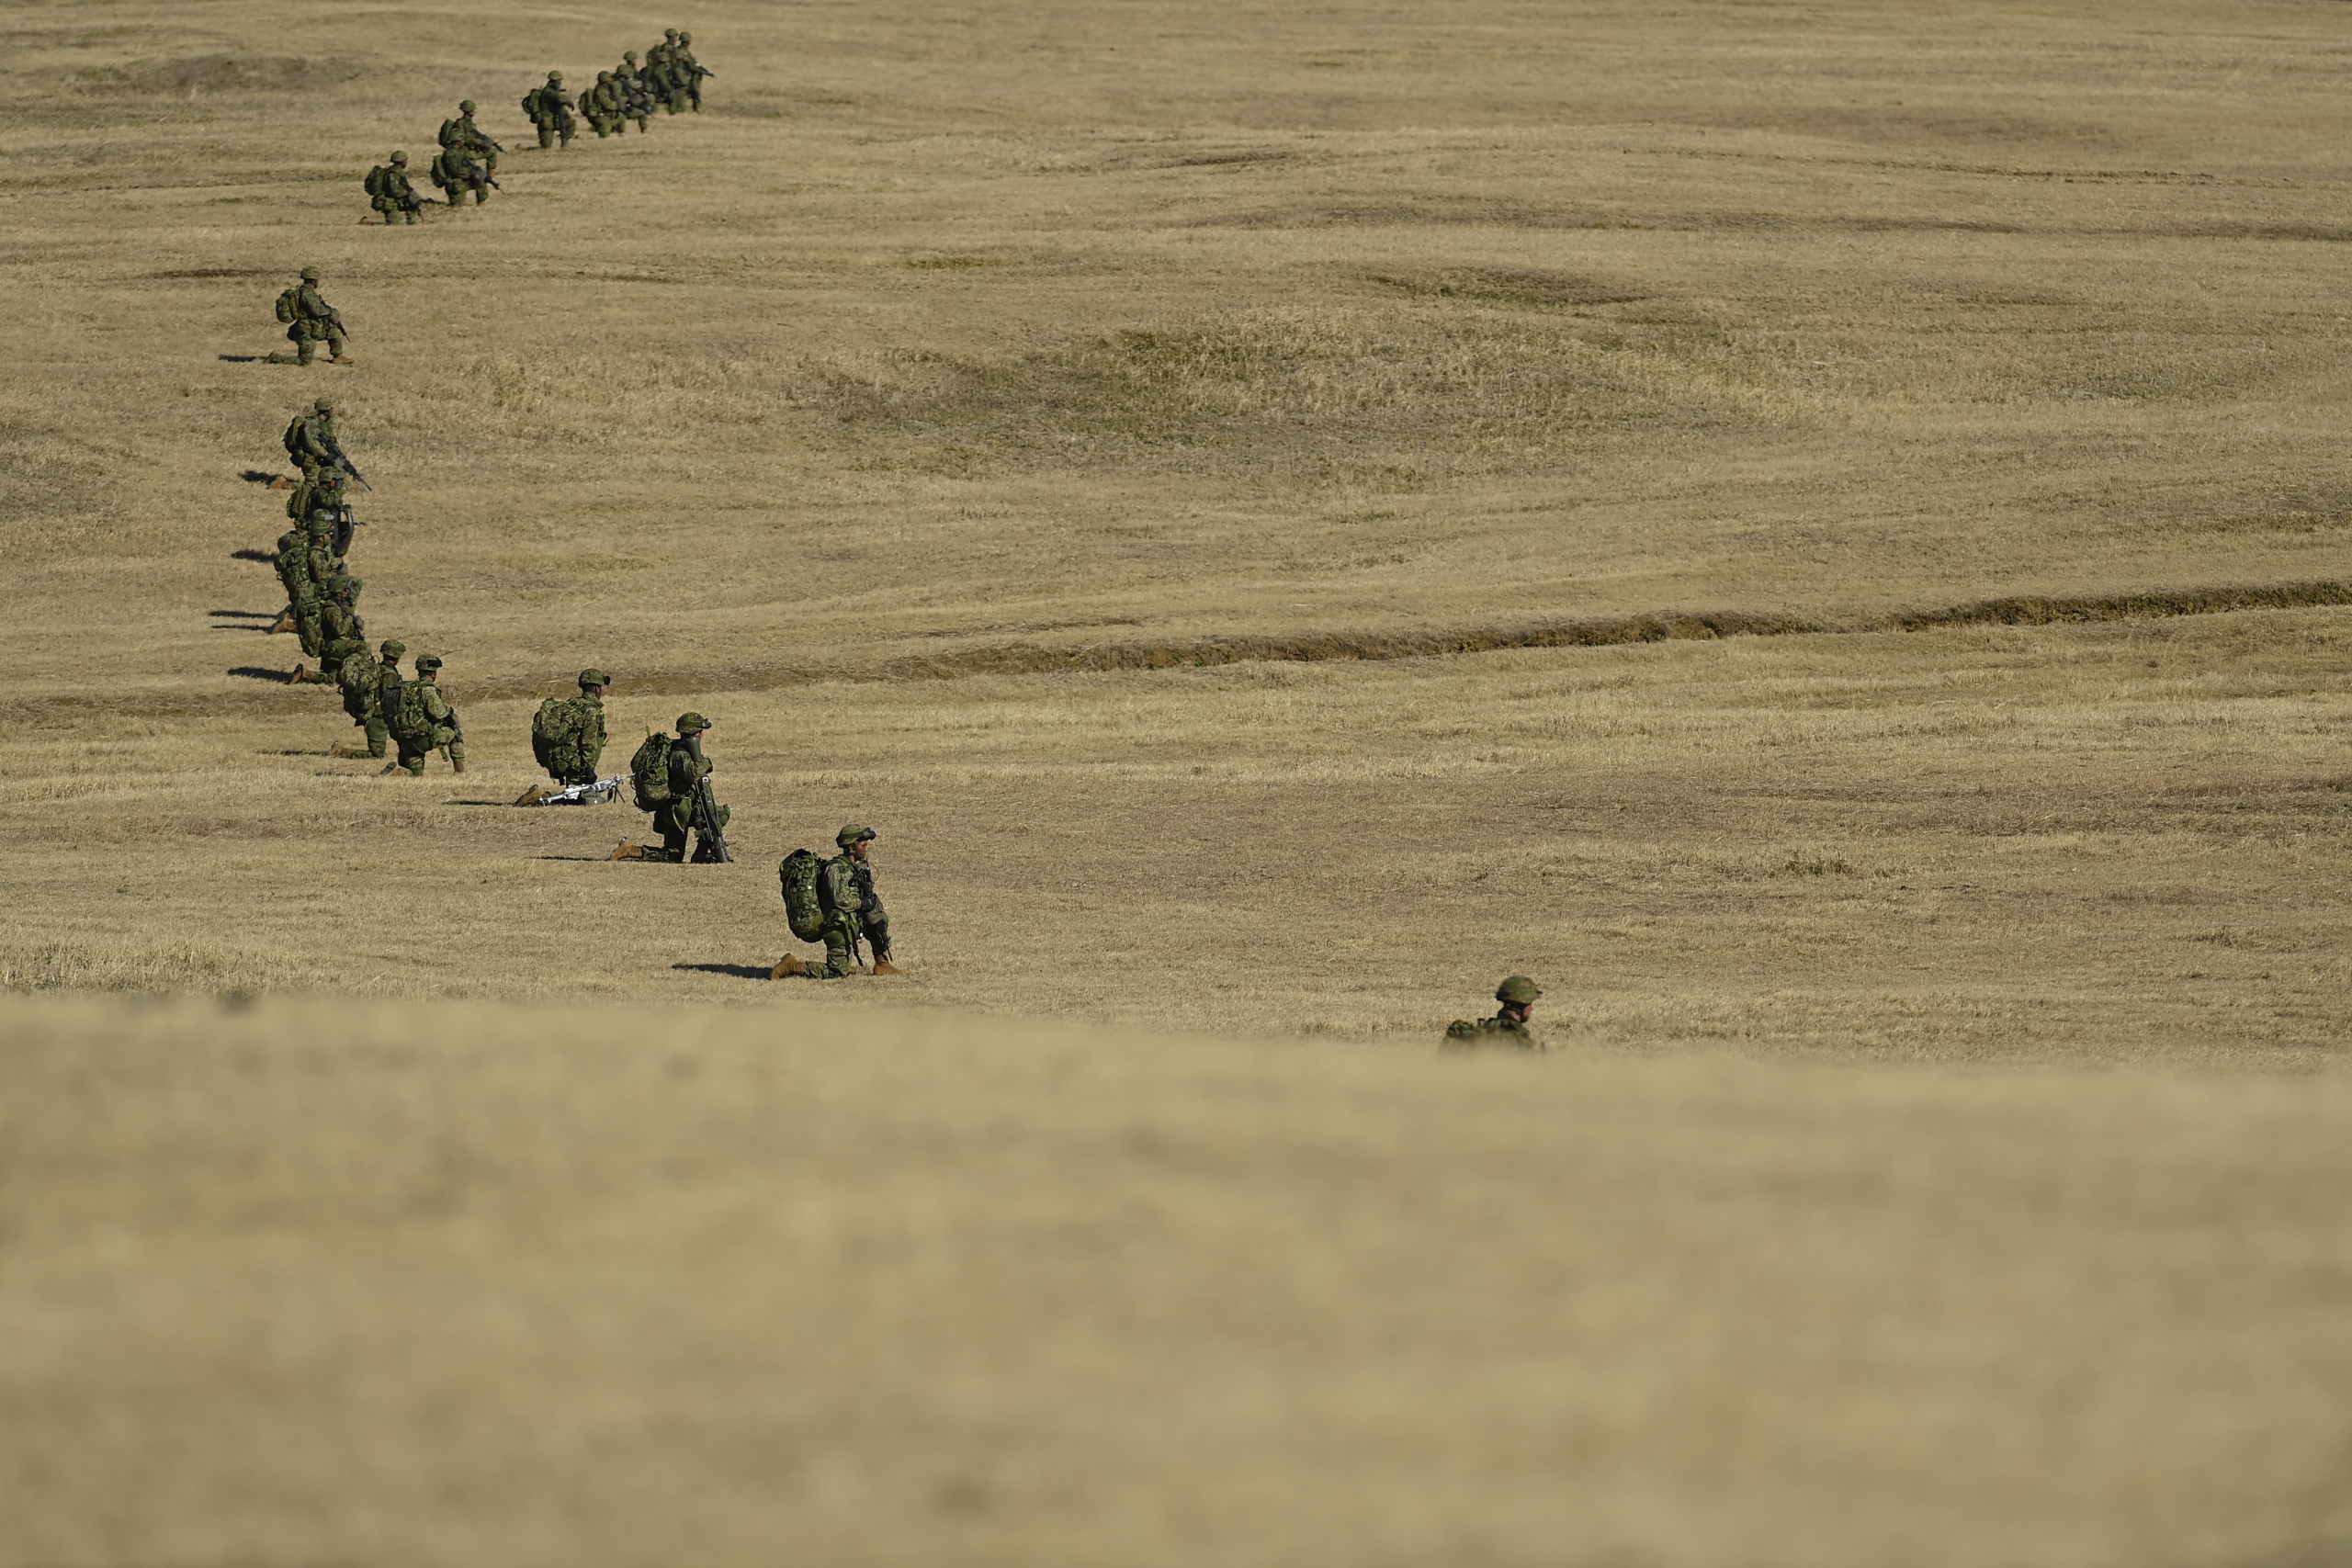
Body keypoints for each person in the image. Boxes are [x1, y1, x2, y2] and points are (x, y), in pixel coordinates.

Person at [774, 825, 904, 979]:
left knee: (877, 920)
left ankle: (882, 964)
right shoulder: (836, 870)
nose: (866, 848)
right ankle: (792, 966)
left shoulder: (856, 867)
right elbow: (840, 900)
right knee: (837, 972)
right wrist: (863, 903)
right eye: (862, 844)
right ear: (851, 847)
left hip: (852, 920)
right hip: (838, 926)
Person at [611, 712, 728, 862]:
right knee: (672, 856)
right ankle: (629, 850)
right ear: (696, 732)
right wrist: (707, 763)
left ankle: (700, 854)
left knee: (719, 815)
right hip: (676, 810)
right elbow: (692, 773)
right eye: (700, 731)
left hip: (685, 807)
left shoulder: (684, 751)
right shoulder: (679, 753)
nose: (701, 734)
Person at [517, 669, 612, 802]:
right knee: (584, 800)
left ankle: (541, 797)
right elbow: (588, 744)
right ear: (596, 688)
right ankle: (540, 796)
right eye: (601, 687)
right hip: (577, 764)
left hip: (566, 758)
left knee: (575, 795)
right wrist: (589, 769)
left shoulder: (573, 704)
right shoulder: (591, 711)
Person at [385, 653, 466, 775]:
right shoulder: (428, 690)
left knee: (415, 775)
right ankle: (460, 772)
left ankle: (396, 773)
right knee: (454, 732)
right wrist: (448, 709)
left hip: (405, 740)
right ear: (433, 673)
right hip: (422, 738)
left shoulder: (404, 689)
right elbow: (439, 714)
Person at [265, 265, 351, 366]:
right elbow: (317, 311)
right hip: (307, 331)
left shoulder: (308, 292)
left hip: (315, 327)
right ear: (314, 280)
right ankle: (276, 358)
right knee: (304, 361)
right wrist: (331, 312)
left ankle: (337, 356)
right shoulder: (306, 294)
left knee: (334, 333)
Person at [333, 638, 404, 759]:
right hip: (377, 718)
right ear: (397, 658)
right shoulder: (389, 675)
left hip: (374, 715)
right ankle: (340, 751)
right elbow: (389, 698)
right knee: (376, 755)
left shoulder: (379, 668)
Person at [297, 575, 366, 686]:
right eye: (344, 590)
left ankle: (307, 674)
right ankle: (354, 675)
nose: (347, 592)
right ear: (338, 592)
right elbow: (339, 630)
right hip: (333, 646)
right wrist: (351, 619)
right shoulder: (332, 608)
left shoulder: (338, 604)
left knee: (334, 679)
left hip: (333, 646)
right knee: (363, 647)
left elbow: (358, 581)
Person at [1442, 976, 1544, 1050]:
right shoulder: (1517, 1040)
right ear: (1520, 1004)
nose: (1531, 1008)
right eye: (1529, 1003)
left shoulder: (1482, 1031)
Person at [282, 396, 346, 480]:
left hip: (321, 459)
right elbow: (311, 444)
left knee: (333, 481)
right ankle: (284, 483)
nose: (333, 410)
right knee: (313, 486)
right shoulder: (312, 424)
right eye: (331, 408)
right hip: (310, 460)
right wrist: (326, 455)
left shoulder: (326, 424)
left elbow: (331, 441)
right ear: (326, 410)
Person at [437, 100, 502, 176]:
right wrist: (481, 143)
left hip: (472, 149)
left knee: (492, 150)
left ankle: (491, 176)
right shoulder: (461, 123)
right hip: (465, 151)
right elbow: (467, 139)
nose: (474, 111)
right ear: (470, 111)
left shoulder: (468, 122)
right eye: (473, 110)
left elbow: (473, 135)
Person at [365, 151, 426, 224]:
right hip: (391, 203)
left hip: (397, 201)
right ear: (401, 162)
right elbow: (394, 190)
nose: (406, 162)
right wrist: (407, 193)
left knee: (411, 208)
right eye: (405, 160)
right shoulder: (393, 174)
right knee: (392, 225)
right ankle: (368, 223)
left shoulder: (397, 171)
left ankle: (412, 224)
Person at [523, 71, 576, 149]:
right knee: (545, 148)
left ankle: (564, 143)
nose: (560, 83)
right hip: (546, 123)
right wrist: (569, 102)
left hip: (556, 120)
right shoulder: (547, 92)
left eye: (560, 81)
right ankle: (524, 149)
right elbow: (559, 98)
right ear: (552, 81)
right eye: (558, 81)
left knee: (571, 123)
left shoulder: (554, 91)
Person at [431, 141, 492, 206]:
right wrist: (471, 173)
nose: (463, 141)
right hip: (456, 184)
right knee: (456, 206)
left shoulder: (461, 151)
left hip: (464, 181)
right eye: (461, 139)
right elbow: (456, 172)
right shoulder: (450, 154)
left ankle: (481, 206)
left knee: (481, 180)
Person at [614, 52, 654, 130]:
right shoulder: (619, 82)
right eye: (634, 59)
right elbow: (631, 84)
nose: (635, 61)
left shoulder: (632, 70)